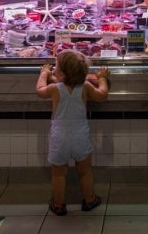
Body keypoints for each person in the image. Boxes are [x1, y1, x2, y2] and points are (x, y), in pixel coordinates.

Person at [36, 49, 110, 216]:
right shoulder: (85, 87)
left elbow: (40, 90)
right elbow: (102, 95)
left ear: (60, 72)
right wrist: (102, 78)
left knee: (58, 174)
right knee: (84, 171)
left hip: (59, 137)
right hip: (80, 135)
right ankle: (89, 200)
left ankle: (58, 205)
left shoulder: (55, 88)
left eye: (55, 66)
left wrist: (44, 73)